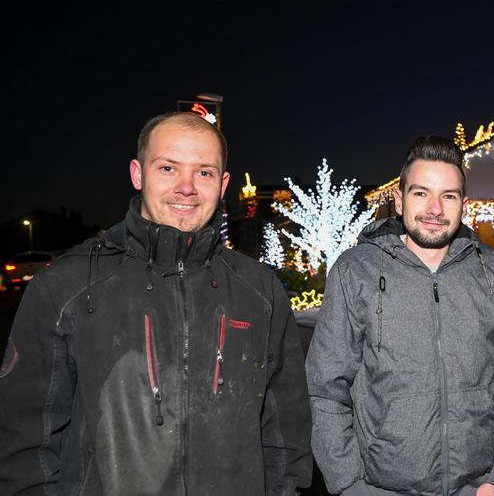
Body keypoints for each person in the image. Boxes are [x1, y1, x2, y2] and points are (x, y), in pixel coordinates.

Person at [0, 112, 312, 495]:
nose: (187, 188)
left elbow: (286, 432)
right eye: (168, 168)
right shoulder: (66, 289)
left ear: (223, 183)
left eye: (204, 172)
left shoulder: (260, 291)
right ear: (137, 173)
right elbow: (25, 442)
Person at [307, 136, 494, 496]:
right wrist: (349, 486)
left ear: (464, 204)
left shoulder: (492, 271)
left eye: (448, 195)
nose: (434, 209)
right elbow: (324, 391)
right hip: (378, 488)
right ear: (399, 200)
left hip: (476, 488)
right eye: (420, 193)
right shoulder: (356, 271)